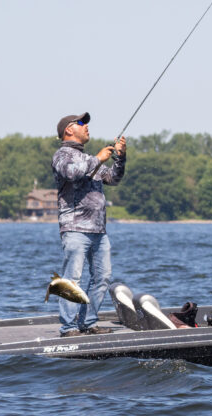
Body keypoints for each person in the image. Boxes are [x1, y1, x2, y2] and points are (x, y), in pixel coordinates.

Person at [51, 112, 127, 337]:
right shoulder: (62, 155)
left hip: (98, 230)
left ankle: (88, 323)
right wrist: (99, 158)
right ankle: (68, 327)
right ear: (68, 130)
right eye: (82, 123)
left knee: (102, 277)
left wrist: (120, 158)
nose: (87, 127)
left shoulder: (89, 158)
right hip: (74, 228)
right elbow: (72, 173)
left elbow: (113, 178)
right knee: (72, 280)